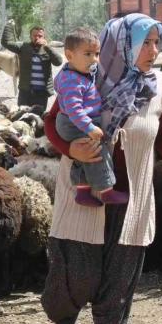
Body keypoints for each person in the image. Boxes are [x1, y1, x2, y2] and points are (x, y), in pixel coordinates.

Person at [41, 13, 162, 324]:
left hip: (132, 195)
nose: (154, 50)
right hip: (86, 189)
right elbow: (53, 123)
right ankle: (66, 315)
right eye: (145, 42)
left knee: (120, 276)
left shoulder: (160, 85)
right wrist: (71, 149)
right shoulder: (88, 74)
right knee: (79, 273)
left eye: (156, 42)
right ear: (122, 44)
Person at [53, 27, 128, 207]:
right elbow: (74, 110)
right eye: (87, 54)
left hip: (73, 122)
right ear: (69, 56)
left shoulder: (78, 74)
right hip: (75, 123)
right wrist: (90, 128)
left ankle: (82, 191)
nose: (94, 59)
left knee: (83, 156)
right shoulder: (73, 81)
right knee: (97, 152)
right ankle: (107, 191)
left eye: (96, 54)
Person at [0, 19, 63, 108]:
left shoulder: (47, 50)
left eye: (40, 36)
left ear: (44, 37)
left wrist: (47, 47)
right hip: (25, 92)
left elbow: (58, 62)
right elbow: (6, 43)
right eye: (34, 35)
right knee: (22, 117)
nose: (37, 38)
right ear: (30, 36)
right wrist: (9, 26)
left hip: (42, 93)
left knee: (39, 118)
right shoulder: (23, 47)